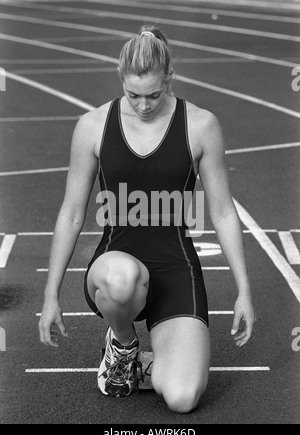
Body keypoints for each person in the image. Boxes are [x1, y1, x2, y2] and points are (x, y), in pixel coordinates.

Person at [39, 25, 256, 414]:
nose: (142, 105)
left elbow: (223, 211)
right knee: (122, 279)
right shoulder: (93, 125)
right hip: (113, 269)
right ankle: (123, 344)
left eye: (154, 94)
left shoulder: (201, 125)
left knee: (182, 398)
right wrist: (50, 294)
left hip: (175, 268)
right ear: (121, 79)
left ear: (170, 78)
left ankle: (154, 364)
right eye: (133, 94)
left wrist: (244, 289)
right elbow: (71, 213)